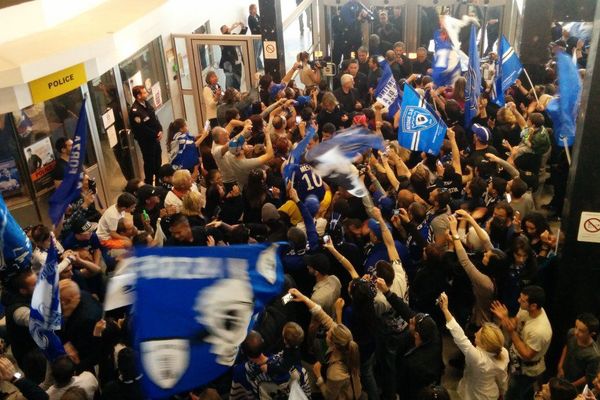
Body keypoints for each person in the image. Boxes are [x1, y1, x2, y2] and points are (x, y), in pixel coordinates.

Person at [288, 288, 362, 400]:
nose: (327, 331)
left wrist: (319, 377)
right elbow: (322, 316)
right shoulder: (347, 342)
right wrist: (303, 298)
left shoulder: (335, 374)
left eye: (328, 334)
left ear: (334, 345)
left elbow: (329, 396)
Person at [438, 292, 509, 400]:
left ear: (485, 345)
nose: (475, 334)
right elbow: (502, 378)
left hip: (475, 394)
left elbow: (459, 336)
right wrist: (503, 392)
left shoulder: (478, 358)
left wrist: (445, 310)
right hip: (491, 393)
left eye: (478, 336)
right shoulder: (503, 352)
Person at [491, 285, 553, 400]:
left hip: (526, 371)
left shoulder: (540, 330)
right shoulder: (525, 309)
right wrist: (505, 318)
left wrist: (512, 332)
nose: (518, 301)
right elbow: (515, 322)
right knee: (524, 393)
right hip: (516, 362)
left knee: (512, 394)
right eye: (520, 297)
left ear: (533, 306)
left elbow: (527, 354)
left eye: (523, 300)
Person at [129, 85, 163, 185]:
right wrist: (156, 134)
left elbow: (155, 118)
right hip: (147, 142)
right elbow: (142, 129)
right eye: (144, 93)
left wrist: (160, 129)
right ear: (138, 96)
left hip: (155, 139)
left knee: (158, 161)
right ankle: (149, 184)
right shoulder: (135, 111)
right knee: (149, 163)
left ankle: (158, 182)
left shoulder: (146, 104)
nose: (147, 94)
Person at [557, 314, 600, 390]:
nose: (576, 332)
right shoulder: (571, 333)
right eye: (576, 327)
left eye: (581, 331)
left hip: (575, 385)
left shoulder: (594, 355)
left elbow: (588, 377)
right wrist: (560, 366)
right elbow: (566, 347)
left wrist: (570, 386)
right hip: (563, 374)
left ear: (592, 334)